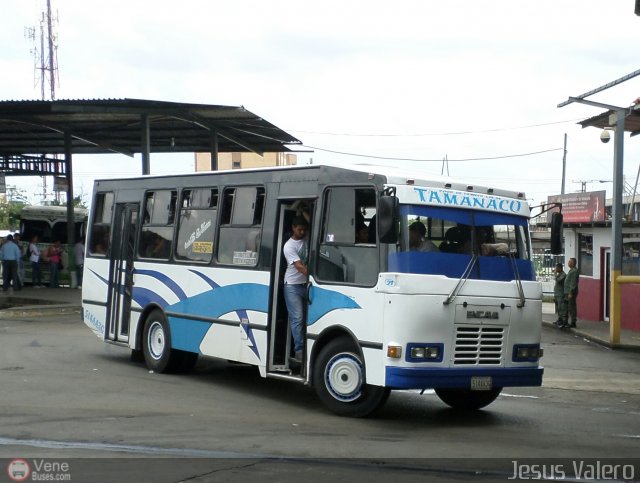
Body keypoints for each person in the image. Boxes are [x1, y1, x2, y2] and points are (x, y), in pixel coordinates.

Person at [283, 215, 309, 365]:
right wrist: (314, 277)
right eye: (299, 229)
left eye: (304, 230)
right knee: (297, 318)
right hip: (292, 286)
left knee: (308, 318)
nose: (302, 232)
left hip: (306, 285)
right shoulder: (289, 246)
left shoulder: (306, 238)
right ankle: (299, 351)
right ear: (293, 228)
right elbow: (299, 266)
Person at [563, 257, 580, 328]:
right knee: (568, 307)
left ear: (573, 263)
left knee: (571, 307)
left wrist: (571, 292)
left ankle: (573, 322)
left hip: (570, 292)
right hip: (567, 292)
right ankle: (566, 321)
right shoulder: (571, 270)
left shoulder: (574, 271)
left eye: (569, 262)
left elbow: (573, 283)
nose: (568, 263)